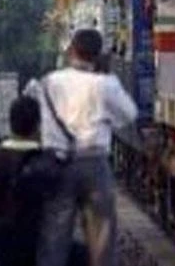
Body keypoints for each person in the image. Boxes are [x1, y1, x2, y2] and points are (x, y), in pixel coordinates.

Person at [26, 29, 137, 266]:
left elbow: (30, 108)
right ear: (98, 55)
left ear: (71, 50)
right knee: (102, 235)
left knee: (54, 236)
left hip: (57, 163)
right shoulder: (105, 84)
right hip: (94, 163)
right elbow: (129, 114)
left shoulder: (48, 82)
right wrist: (106, 118)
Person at [0, 96, 43, 266]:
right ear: (38, 125)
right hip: (41, 245)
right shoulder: (49, 163)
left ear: (10, 123)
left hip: (3, 245)